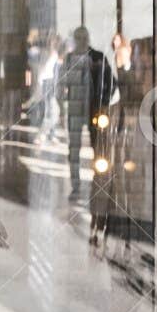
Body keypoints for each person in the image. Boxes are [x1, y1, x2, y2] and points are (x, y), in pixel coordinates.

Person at [59, 26, 114, 202]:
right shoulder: (69, 59)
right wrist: (61, 108)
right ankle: (76, 187)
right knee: (74, 149)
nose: (82, 40)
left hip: (94, 110)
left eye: (84, 37)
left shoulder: (98, 58)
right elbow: (61, 85)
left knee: (98, 147)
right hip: (75, 109)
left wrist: (104, 104)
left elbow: (111, 83)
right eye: (79, 37)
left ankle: (98, 183)